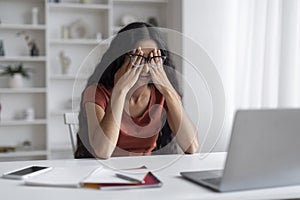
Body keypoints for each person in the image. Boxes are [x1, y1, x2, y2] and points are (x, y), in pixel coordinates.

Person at [75, 22, 199, 159]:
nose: (146, 68)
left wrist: (167, 89)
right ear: (120, 58)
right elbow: (102, 151)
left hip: (146, 170)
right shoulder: (97, 93)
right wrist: (120, 90)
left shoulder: (161, 93)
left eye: (153, 58)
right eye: (138, 58)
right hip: (105, 172)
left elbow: (191, 147)